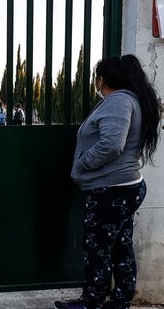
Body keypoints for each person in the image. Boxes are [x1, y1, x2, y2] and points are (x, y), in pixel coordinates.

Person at [54, 55, 162, 309]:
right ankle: (121, 299)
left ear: (101, 80)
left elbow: (112, 144)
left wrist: (83, 163)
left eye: (95, 78)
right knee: (120, 245)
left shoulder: (119, 102)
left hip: (111, 190)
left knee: (97, 247)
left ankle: (93, 301)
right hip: (123, 187)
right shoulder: (129, 99)